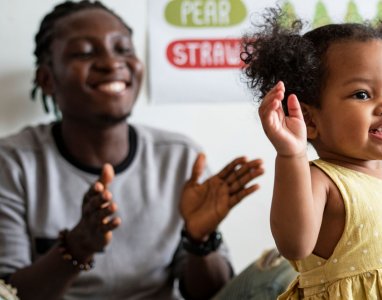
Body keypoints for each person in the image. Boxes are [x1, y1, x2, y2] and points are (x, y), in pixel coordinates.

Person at [0, 1, 296, 299]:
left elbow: (212, 294)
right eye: (85, 52)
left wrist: (199, 239)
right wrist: (75, 247)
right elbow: (8, 293)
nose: (111, 62)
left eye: (123, 49)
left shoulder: (179, 157)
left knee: (284, 271)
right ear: (47, 80)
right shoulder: (12, 163)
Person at [241, 8, 382, 299]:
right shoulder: (322, 179)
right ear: (311, 120)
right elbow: (295, 244)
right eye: (362, 94)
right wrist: (291, 155)